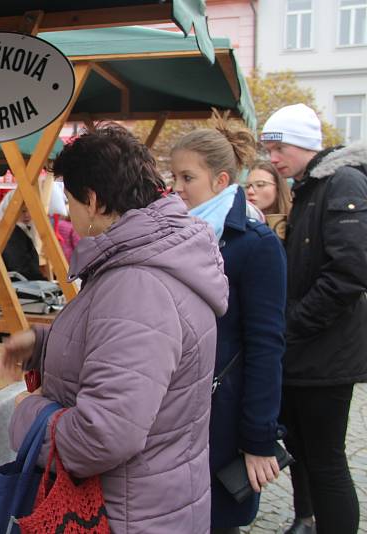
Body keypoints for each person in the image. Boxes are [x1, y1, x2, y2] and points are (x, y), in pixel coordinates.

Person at [2, 124, 229, 533]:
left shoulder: (138, 283)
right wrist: (44, 345)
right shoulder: (152, 258)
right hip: (152, 502)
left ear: (92, 201)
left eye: (70, 201)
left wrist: (29, 417)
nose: (68, 212)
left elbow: (103, 435)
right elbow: (129, 354)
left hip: (128, 514)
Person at [171, 114, 287, 534]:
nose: (178, 188)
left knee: (216, 522)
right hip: (178, 411)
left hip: (223, 417)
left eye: (188, 177)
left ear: (220, 181)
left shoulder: (255, 244)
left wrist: (258, 440)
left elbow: (266, 347)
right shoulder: (178, 235)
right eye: (174, 176)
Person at [260, 104, 367, 534]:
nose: (272, 158)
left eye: (279, 147)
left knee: (326, 460)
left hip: (326, 353)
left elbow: (350, 272)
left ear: (305, 145)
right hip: (307, 352)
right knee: (303, 451)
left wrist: (291, 324)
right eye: (269, 148)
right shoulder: (310, 186)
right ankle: (305, 522)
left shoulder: (342, 182)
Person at [0, 192, 44, 281]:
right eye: (23, 211)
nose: (28, 215)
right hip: (12, 288)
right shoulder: (12, 234)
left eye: (30, 210)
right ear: (9, 210)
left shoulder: (14, 230)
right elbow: (21, 268)